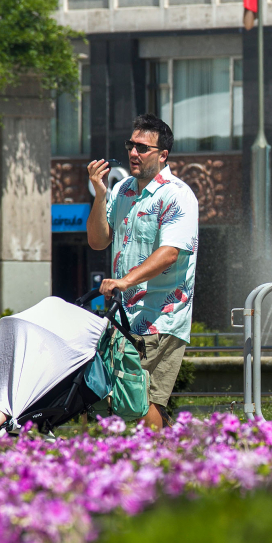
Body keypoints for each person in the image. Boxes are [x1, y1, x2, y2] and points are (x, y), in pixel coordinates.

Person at [86, 114, 199, 430]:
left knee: (135, 401)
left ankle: (162, 458)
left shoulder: (177, 195)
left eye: (143, 148)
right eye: (131, 145)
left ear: (163, 155)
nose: (134, 153)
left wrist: (126, 280)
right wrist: (100, 195)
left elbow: (170, 252)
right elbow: (97, 240)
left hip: (161, 317)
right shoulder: (121, 190)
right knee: (116, 397)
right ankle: (164, 453)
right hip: (123, 316)